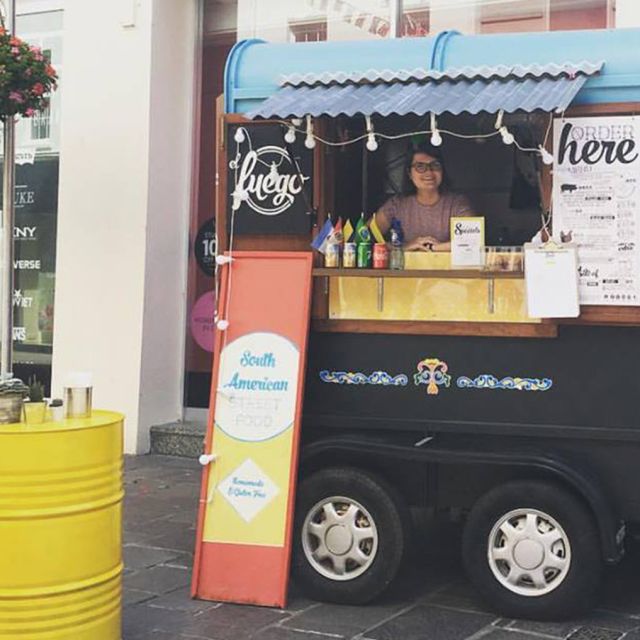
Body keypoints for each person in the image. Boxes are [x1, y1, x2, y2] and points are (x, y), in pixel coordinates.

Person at [377, 145, 474, 251]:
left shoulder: (457, 203)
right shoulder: (397, 204)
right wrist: (406, 247)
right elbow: (367, 239)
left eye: (435, 165)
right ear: (409, 173)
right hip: (407, 262)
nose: (429, 172)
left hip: (446, 262)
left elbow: (471, 241)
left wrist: (434, 247)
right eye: (420, 166)